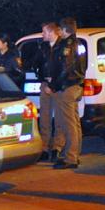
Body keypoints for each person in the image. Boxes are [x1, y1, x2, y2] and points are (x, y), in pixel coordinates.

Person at [50, 17, 86, 169]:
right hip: (77, 85)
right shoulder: (80, 44)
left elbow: (66, 68)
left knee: (68, 123)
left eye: (60, 29)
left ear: (65, 30)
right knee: (75, 122)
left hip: (67, 87)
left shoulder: (68, 46)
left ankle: (71, 158)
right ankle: (74, 154)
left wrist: (55, 84)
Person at [33, 22, 64, 163]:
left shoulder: (63, 46)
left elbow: (65, 69)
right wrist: (42, 79)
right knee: (44, 118)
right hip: (46, 85)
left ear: (52, 32)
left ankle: (57, 148)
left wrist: (53, 84)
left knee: (59, 118)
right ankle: (45, 148)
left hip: (58, 86)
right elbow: (36, 64)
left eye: (44, 32)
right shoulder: (43, 47)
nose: (42, 34)